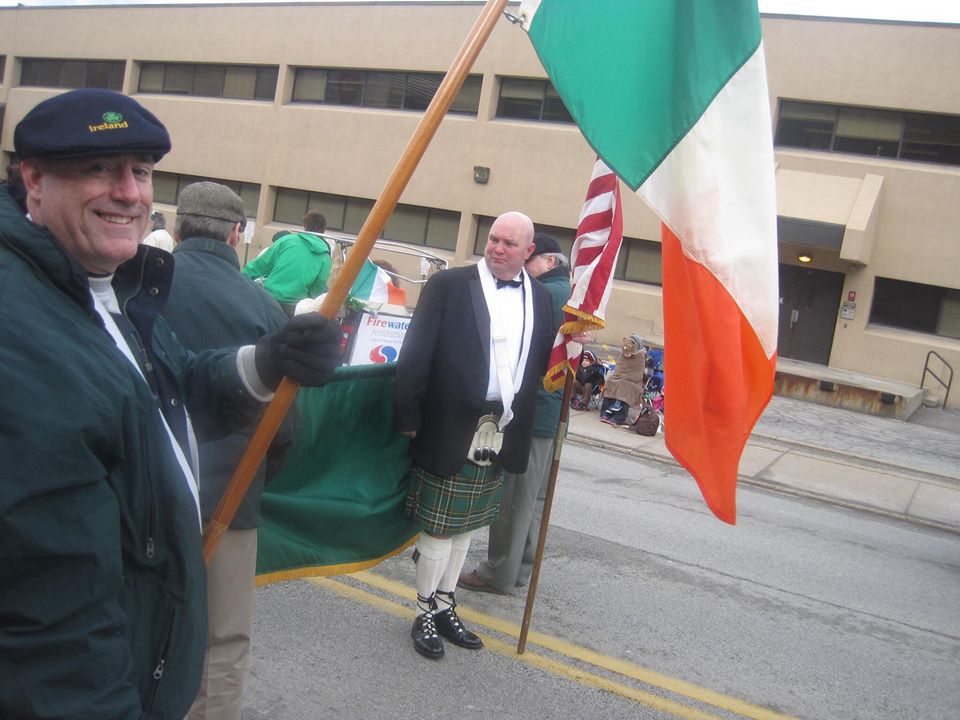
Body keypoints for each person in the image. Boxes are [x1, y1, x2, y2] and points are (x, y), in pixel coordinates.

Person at [0, 89, 341, 720]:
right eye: (97, 169)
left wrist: (271, 360)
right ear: (35, 181)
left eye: (140, 171)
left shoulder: (97, 285)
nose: (128, 192)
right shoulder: (19, 322)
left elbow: (174, 385)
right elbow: (53, 616)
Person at [394, 211, 554, 659]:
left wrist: (571, 355)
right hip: (447, 421)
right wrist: (408, 415)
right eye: (493, 239)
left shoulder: (541, 298)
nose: (497, 248)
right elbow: (416, 351)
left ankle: (446, 604)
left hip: (502, 426)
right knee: (440, 527)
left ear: (528, 251)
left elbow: (539, 361)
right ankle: (424, 610)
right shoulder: (448, 285)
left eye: (509, 243)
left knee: (467, 526)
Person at [160, 181, 292, 720]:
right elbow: (286, 426)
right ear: (237, 234)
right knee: (222, 639)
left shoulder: (134, 283)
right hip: (230, 495)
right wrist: (259, 477)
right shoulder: (265, 305)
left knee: (134, 616)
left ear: (177, 228)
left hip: (145, 488)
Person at [458, 232, 570, 595]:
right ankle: (520, 568)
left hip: (535, 409)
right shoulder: (568, 293)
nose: (524, 265)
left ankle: (498, 572)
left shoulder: (546, 294)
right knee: (534, 498)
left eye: (530, 259)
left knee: (515, 498)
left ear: (549, 261)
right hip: (551, 412)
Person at [242, 209, 333, 316]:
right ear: (323, 230)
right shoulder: (325, 256)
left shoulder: (287, 241)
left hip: (269, 299)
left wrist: (241, 277)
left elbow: (261, 264)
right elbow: (317, 288)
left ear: (305, 225)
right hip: (295, 307)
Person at [599, 334, 649, 425]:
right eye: (625, 353)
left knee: (623, 386)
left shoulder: (640, 357)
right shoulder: (622, 355)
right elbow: (619, 368)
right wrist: (619, 376)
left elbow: (638, 374)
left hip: (633, 382)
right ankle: (606, 412)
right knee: (610, 381)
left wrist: (625, 377)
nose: (626, 355)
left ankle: (618, 416)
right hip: (619, 377)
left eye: (628, 353)